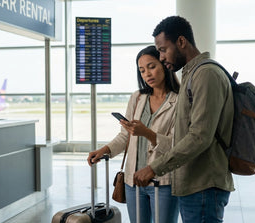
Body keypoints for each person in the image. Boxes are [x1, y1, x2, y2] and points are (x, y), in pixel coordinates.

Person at [133, 16, 235, 223]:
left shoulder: (206, 74)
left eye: (163, 49)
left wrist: (154, 167)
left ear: (181, 42)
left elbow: (199, 137)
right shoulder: (192, 74)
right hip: (193, 184)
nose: (161, 57)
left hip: (204, 185)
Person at [87, 45, 180, 223]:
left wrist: (147, 133)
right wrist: (104, 150)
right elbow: (125, 136)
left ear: (164, 65)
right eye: (142, 70)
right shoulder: (137, 98)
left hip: (163, 181)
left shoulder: (179, 100)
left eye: (152, 67)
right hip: (133, 181)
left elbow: (177, 145)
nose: (147, 74)